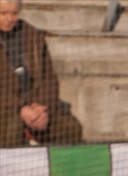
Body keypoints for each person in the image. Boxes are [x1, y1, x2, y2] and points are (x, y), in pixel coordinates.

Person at [0, 0, 82, 148]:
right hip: (6, 108)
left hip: (34, 104)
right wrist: (20, 109)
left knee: (70, 127)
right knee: (12, 128)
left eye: (14, 13)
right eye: (3, 13)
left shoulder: (32, 36)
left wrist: (41, 108)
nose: (9, 18)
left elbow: (49, 78)